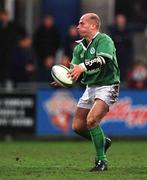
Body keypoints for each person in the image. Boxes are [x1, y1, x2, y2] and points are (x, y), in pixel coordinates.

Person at [69, 13, 120, 171]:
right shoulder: (79, 48)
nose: (78, 26)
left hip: (108, 85)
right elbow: (74, 71)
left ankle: (101, 162)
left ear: (93, 26)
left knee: (91, 120)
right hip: (90, 87)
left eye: (81, 23)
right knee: (77, 126)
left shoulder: (104, 40)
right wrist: (65, 77)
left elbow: (102, 59)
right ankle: (104, 141)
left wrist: (82, 68)